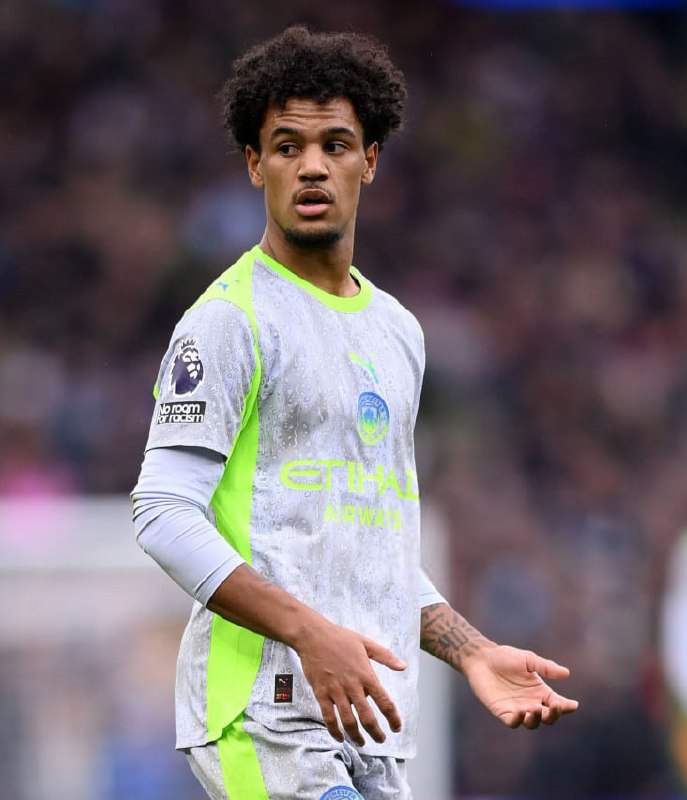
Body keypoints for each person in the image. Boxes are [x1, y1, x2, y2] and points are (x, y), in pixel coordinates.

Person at [131, 25, 578, 800]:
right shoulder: (229, 320)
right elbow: (163, 512)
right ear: (254, 164)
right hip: (262, 716)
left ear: (368, 160)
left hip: (371, 725)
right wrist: (309, 632)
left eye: (335, 144)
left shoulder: (395, 331)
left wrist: (471, 650)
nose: (312, 165)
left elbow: (369, 539)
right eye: (286, 146)